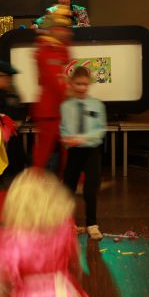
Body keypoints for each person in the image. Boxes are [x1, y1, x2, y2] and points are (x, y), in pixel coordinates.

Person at [0, 168, 99, 297]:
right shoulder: (62, 230)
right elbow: (73, 258)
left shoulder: (14, 239)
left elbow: (3, 269)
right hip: (61, 295)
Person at [60, 66, 106, 240]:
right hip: (74, 152)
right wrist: (67, 138)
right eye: (78, 84)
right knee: (68, 188)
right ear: (72, 84)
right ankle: (67, 223)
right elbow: (63, 128)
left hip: (91, 151)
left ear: (89, 84)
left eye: (85, 84)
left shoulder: (97, 105)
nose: (81, 87)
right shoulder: (66, 106)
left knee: (90, 189)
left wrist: (82, 138)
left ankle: (92, 224)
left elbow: (100, 130)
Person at [31, 4, 73, 170]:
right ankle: (37, 179)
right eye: (64, 29)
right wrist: (71, 95)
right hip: (50, 109)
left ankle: (72, 178)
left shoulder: (55, 49)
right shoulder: (48, 50)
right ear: (55, 30)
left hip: (57, 108)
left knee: (66, 146)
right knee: (45, 149)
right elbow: (55, 81)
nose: (68, 33)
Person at [0, 59, 28, 185]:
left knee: (12, 175)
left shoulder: (11, 97)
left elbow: (17, 119)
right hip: (0, 145)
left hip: (11, 146)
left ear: (6, 78)